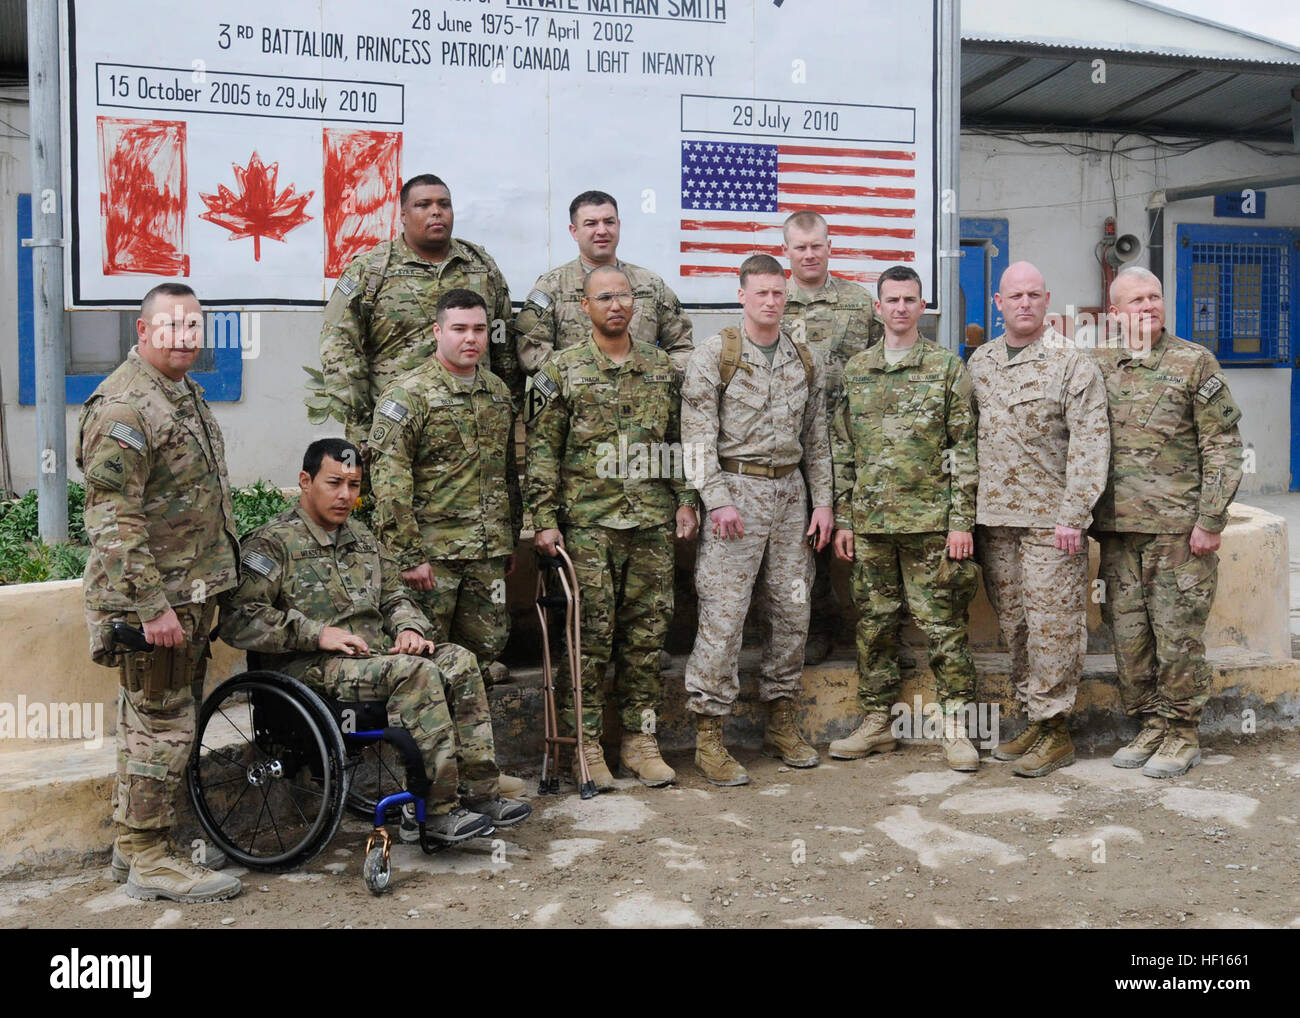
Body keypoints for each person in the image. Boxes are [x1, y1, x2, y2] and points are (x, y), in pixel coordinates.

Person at [219, 439, 530, 841]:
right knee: (414, 673)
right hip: (311, 668)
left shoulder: (363, 539)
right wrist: (316, 633)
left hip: (375, 658)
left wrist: (408, 628)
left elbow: (395, 596)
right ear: (305, 481)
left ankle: (481, 793)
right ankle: (432, 813)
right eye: (334, 483)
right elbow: (239, 619)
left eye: (354, 485)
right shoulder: (271, 544)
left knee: (460, 661)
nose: (345, 495)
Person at [79, 282, 242, 902]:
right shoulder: (124, 407)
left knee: (154, 720)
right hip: (155, 604)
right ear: (142, 332)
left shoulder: (181, 394)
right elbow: (112, 523)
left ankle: (131, 850)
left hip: (188, 594)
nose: (185, 336)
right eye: (171, 325)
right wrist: (152, 608)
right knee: (162, 727)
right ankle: (150, 858)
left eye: (194, 326)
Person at [526, 265, 700, 790]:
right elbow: (541, 451)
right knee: (589, 638)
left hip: (649, 522)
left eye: (623, 295)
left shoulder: (661, 368)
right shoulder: (561, 370)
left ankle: (639, 741)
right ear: (585, 307)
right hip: (587, 525)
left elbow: (677, 440)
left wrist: (686, 500)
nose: (615, 305)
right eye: (603, 297)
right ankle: (585, 744)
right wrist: (543, 520)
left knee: (646, 637)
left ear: (635, 303)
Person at [680, 254, 833, 786]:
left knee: (792, 610)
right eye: (761, 292)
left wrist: (824, 502)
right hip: (736, 493)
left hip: (791, 493)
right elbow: (696, 438)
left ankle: (781, 722)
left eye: (778, 292)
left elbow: (817, 437)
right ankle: (709, 735)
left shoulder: (802, 358)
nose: (771, 301)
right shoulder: (714, 355)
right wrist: (717, 500)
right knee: (724, 613)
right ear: (741, 294)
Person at [828, 264, 981, 772]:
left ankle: (957, 727)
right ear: (878, 307)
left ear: (922, 307)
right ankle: (876, 723)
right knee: (874, 627)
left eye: (909, 300)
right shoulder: (857, 370)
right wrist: (845, 519)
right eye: (891, 300)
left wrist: (961, 521)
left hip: (932, 524)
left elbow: (964, 449)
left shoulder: (946, 368)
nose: (899, 308)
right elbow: (843, 449)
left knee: (943, 627)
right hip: (871, 526)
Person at [1093, 266, 1243, 778]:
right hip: (1117, 531)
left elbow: (1222, 444)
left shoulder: (1193, 362)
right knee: (1129, 634)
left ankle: (1182, 732)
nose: (1149, 305)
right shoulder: (1096, 364)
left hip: (1179, 533)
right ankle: (1150, 723)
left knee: (1177, 636)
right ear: (1115, 312)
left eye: (1155, 295)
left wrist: (1210, 518)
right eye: (1136, 299)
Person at [967, 262, 1110, 777]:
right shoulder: (980, 362)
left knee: (1054, 626)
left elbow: (1091, 445)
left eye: (1033, 294)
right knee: (1018, 624)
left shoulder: (1072, 363)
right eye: (1014, 295)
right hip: (996, 522)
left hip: (1052, 524)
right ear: (998, 303)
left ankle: (1057, 731)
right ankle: (1035, 715)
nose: (1024, 303)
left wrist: (1074, 514)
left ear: (1047, 300)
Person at [368, 289, 521, 691]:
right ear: (437, 331)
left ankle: (475, 747)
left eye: (479, 329)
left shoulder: (497, 393)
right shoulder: (407, 394)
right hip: (433, 559)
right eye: (459, 329)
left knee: (485, 655)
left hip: (487, 554)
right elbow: (389, 479)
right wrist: (408, 555)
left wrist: (507, 541)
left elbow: (506, 471)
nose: (470, 338)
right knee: (426, 662)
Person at [313, 174, 520, 447]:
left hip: (473, 425)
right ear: (403, 215)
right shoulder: (370, 270)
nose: (436, 212)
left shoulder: (481, 266)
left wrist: (507, 405)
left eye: (444, 204)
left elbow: (501, 339)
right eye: (423, 205)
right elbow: (339, 346)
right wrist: (362, 423)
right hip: (395, 424)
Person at [780, 210, 885, 665]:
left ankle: (880, 636)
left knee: (866, 534)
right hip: (792, 445)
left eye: (816, 245)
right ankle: (816, 628)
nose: (809, 254)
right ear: (787, 251)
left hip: (853, 441)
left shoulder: (859, 303)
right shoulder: (772, 301)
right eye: (800, 247)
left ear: (829, 246)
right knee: (806, 540)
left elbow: (887, 361)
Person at [515, 190, 694, 379]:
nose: (602, 231)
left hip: (643, 402)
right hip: (578, 400)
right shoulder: (551, 287)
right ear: (574, 232)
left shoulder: (650, 285)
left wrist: (655, 378)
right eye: (591, 224)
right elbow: (531, 351)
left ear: (618, 225)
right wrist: (582, 377)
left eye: (609, 222)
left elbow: (682, 347)